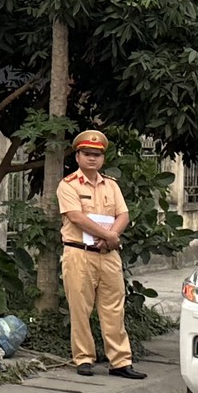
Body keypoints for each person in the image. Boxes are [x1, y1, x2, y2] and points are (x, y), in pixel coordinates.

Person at [58, 128, 141, 379]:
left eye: (97, 154)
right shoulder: (68, 185)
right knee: (80, 308)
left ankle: (120, 361)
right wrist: (110, 236)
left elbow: (123, 214)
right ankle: (84, 358)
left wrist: (110, 238)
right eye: (87, 154)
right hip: (79, 253)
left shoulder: (111, 185)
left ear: (103, 158)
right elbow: (76, 217)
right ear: (77, 157)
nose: (92, 158)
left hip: (108, 255)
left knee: (114, 308)